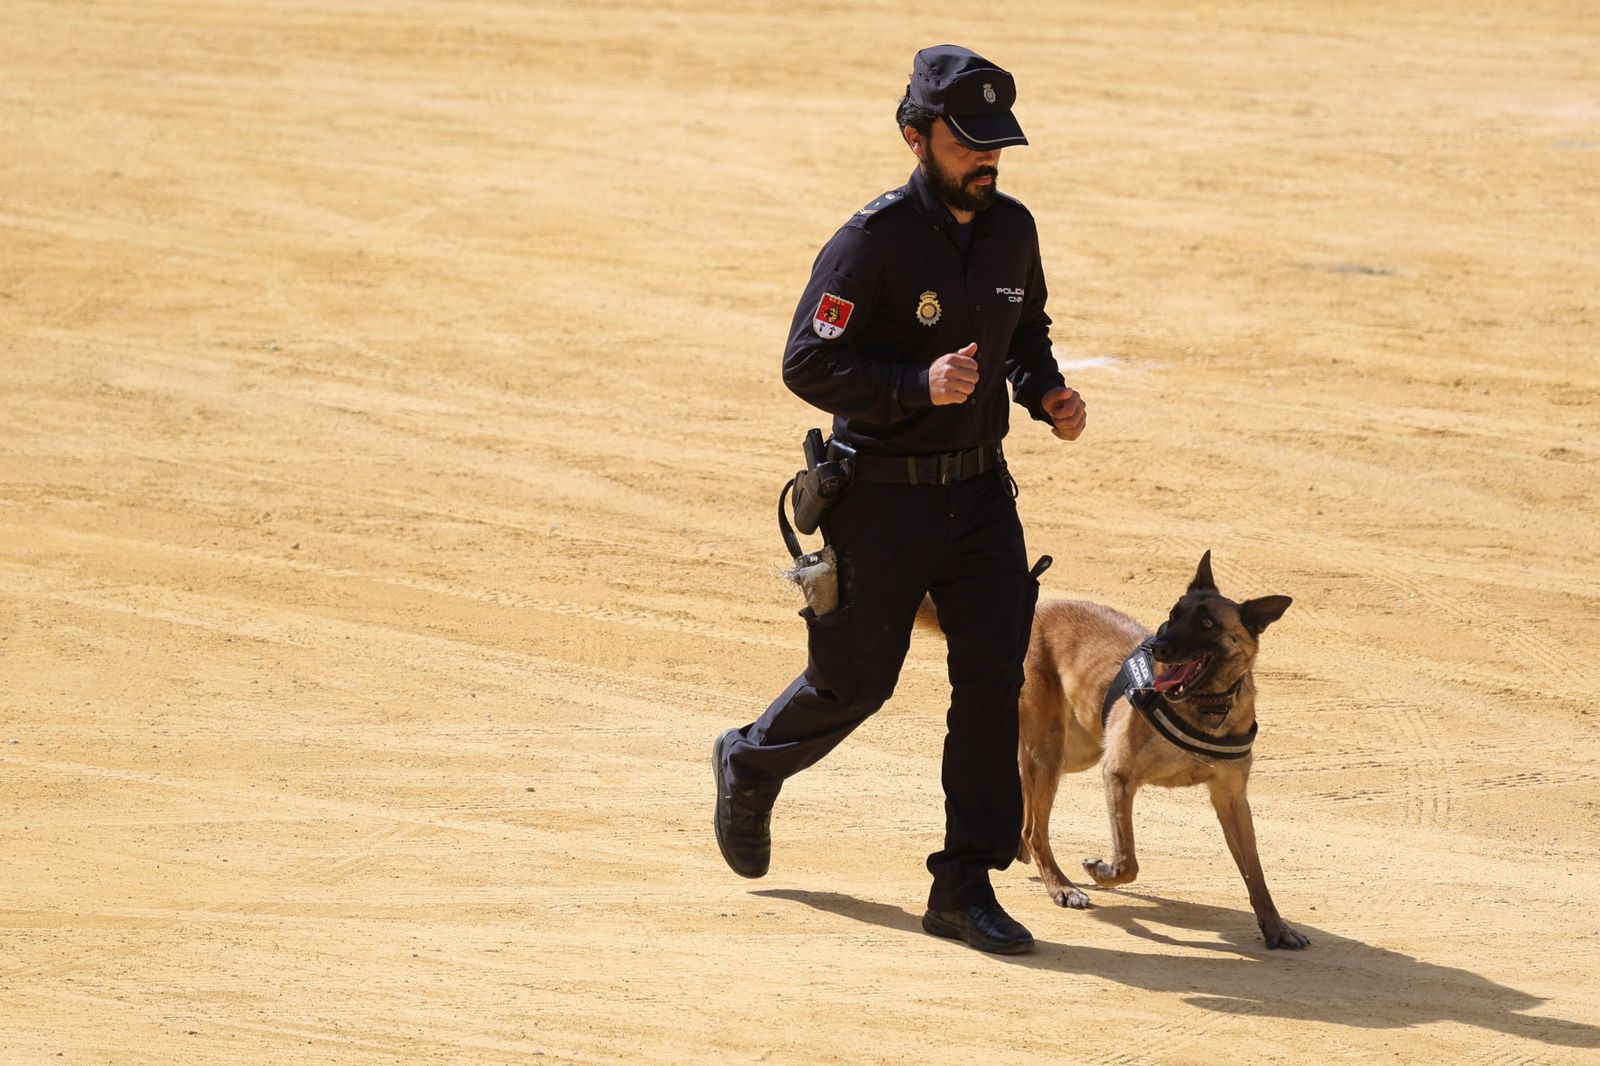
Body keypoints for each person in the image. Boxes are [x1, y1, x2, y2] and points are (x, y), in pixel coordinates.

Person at [713, 44, 1087, 955]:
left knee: (993, 683)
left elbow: (1023, 334)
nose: (988, 161)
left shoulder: (1012, 230)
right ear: (915, 137)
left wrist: (1046, 392)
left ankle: (963, 885)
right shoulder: (869, 243)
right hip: (878, 501)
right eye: (969, 144)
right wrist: (916, 385)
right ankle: (751, 762)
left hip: (981, 498)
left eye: (998, 143)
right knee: (856, 682)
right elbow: (808, 362)